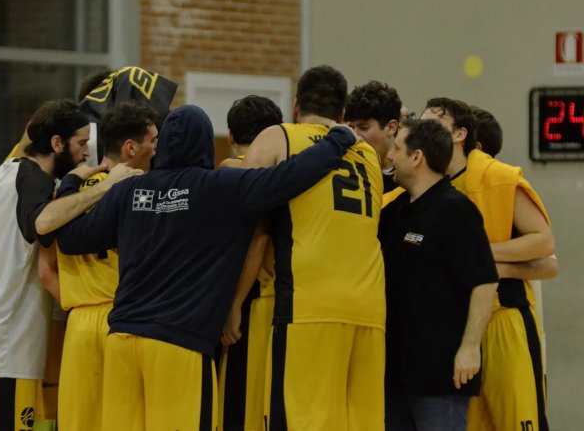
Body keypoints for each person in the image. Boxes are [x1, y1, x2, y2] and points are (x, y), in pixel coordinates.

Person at [56, 105, 359, 430]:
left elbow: (72, 240)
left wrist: (72, 182)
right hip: (179, 344)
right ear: (204, 142)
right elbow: (289, 176)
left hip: (121, 343)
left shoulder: (128, 191)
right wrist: (338, 138)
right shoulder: (220, 187)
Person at [0, 100, 139, 431]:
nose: (85, 153)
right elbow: (42, 222)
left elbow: (32, 131)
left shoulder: (9, 169)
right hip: (2, 350)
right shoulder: (35, 180)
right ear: (56, 143)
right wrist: (108, 186)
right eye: (80, 144)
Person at [242, 65, 386, 430]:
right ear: (342, 115)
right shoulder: (368, 154)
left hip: (309, 308)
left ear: (295, 107)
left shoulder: (278, 137)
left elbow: (250, 223)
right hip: (369, 310)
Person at [421, 98, 556, 431]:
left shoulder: (498, 177)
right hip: (454, 326)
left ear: (460, 134)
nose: (424, 131)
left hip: (503, 318)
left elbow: (544, 243)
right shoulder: (426, 184)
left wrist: (479, 253)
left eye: (434, 123)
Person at [379, 118, 498, 431]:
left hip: (439, 377)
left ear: (417, 157)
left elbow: (484, 282)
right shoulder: (393, 213)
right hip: (395, 375)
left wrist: (470, 348)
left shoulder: (455, 210)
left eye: (396, 149)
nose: (389, 156)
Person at [55, 101, 158, 430]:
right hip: (127, 320)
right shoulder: (141, 189)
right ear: (130, 148)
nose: (157, 148)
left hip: (79, 324)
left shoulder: (69, 190)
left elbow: (50, 256)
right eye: (153, 140)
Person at [217, 95, 283, 430]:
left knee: (241, 410)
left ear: (230, 135)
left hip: (251, 304)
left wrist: (235, 304)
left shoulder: (233, 176)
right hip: (281, 306)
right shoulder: (284, 174)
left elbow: (260, 235)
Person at [345, 80, 402, 193]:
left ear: (391, 127)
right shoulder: (345, 172)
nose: (355, 136)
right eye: (351, 128)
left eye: (364, 127)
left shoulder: (407, 178)